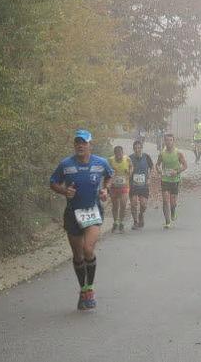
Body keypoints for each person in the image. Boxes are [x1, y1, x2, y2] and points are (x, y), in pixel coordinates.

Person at [50, 129, 114, 310]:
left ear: (90, 145)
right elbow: (53, 182)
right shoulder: (66, 164)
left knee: (88, 249)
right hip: (72, 213)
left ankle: (90, 290)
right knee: (78, 255)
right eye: (77, 142)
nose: (80, 145)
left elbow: (109, 175)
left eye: (84, 142)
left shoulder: (100, 163)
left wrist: (105, 189)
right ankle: (83, 289)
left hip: (92, 211)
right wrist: (64, 191)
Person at [155, 134, 188, 229]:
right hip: (165, 179)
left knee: (173, 203)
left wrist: (177, 171)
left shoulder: (178, 153)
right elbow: (157, 164)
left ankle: (173, 212)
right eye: (167, 140)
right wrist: (159, 170)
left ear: (173, 141)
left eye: (170, 140)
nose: (168, 142)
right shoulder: (162, 153)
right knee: (165, 201)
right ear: (164, 142)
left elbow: (185, 166)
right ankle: (167, 221)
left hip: (175, 180)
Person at [129, 140, 154, 230]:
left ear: (141, 148)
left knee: (143, 205)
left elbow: (152, 167)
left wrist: (149, 178)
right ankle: (135, 222)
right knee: (133, 203)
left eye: (139, 148)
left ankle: (141, 215)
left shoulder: (146, 157)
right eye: (135, 148)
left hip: (144, 185)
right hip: (133, 185)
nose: (137, 150)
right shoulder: (129, 158)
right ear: (133, 149)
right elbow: (126, 169)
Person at [108, 146, 132, 233]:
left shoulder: (127, 159)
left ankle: (121, 222)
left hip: (124, 186)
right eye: (117, 154)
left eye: (120, 153)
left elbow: (131, 167)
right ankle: (115, 222)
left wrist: (129, 172)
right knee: (115, 206)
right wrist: (111, 172)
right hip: (114, 187)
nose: (119, 155)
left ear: (123, 152)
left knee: (123, 204)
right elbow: (107, 171)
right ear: (114, 154)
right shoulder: (111, 160)